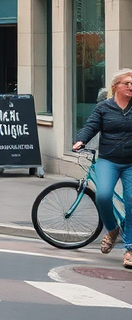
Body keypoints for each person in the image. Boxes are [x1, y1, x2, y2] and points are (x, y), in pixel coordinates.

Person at [73, 68, 132, 269]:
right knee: (103, 195)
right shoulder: (103, 108)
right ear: (116, 86)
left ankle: (130, 249)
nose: (131, 87)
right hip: (109, 160)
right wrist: (80, 139)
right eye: (127, 83)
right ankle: (112, 229)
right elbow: (91, 126)